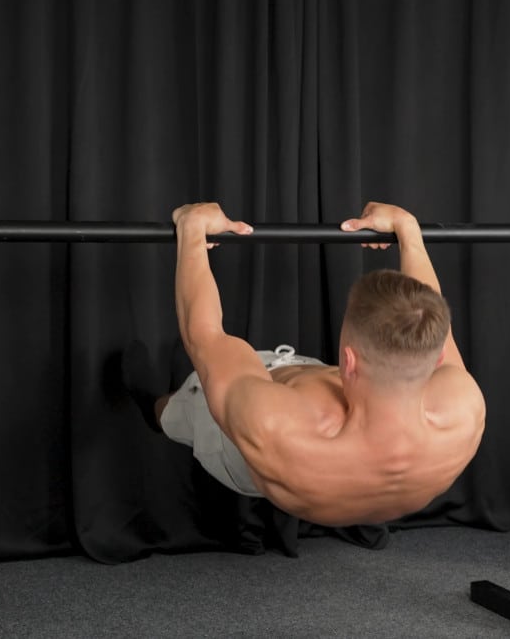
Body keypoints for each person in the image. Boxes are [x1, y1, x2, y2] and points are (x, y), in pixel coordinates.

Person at [142, 201, 486, 527]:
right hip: (319, 422)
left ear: (348, 361)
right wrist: (407, 229)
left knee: (189, 402)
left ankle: (154, 411)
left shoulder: (275, 425)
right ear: (438, 358)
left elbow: (204, 337)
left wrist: (192, 228)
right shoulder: (464, 411)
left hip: (247, 453)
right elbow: (425, 317)